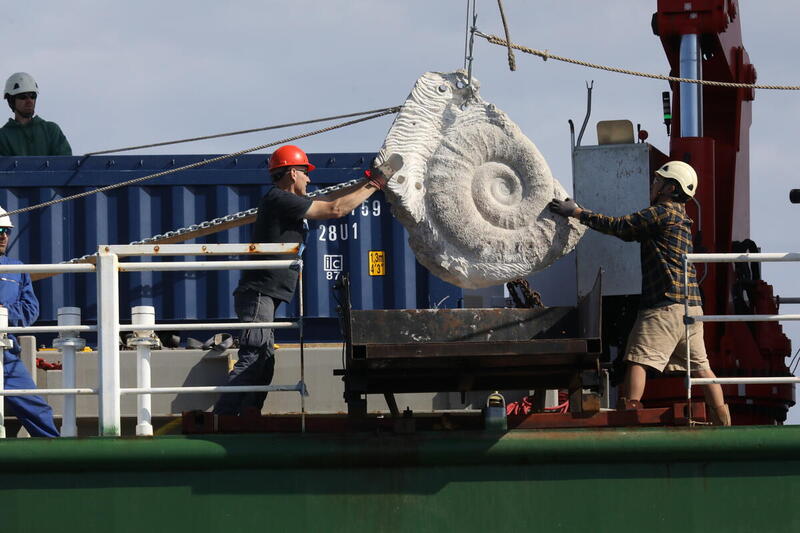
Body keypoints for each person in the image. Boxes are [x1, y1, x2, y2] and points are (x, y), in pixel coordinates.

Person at [213, 145, 393, 415]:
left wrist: (365, 182)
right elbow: (335, 209)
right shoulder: (278, 198)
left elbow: (332, 199)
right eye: (306, 173)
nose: (310, 179)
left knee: (265, 359)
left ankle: (249, 416)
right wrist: (375, 184)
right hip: (259, 292)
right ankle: (223, 419)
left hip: (266, 294)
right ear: (293, 173)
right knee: (254, 356)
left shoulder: (285, 202)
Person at [548, 161, 731, 426]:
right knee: (701, 367)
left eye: (657, 180)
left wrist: (576, 212)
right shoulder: (682, 218)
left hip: (664, 307)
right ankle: (723, 421)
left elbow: (620, 227)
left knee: (637, 358)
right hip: (691, 309)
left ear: (670, 188)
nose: (652, 184)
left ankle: (629, 418)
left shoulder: (662, 213)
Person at [0, 205, 60, 437]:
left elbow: (30, 310)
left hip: (6, 355)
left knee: (38, 409)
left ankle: (56, 461)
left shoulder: (18, 269)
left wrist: (4, 313)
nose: (3, 235)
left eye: (6, 230)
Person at [0, 72, 71, 156]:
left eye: (33, 96)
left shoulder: (51, 131)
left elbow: (65, 165)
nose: (29, 101)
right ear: (11, 101)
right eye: (23, 97)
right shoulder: (3, 136)